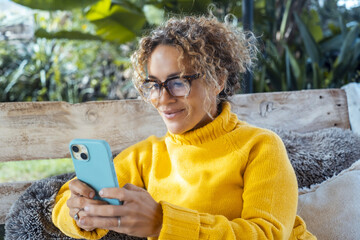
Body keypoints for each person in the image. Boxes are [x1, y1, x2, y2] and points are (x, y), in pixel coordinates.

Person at [52, 14, 316, 240]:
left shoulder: (260, 146)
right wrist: (79, 212)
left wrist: (162, 222)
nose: (163, 98)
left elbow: (267, 234)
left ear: (218, 80)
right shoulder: (147, 156)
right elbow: (62, 204)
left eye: (178, 82)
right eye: (154, 84)